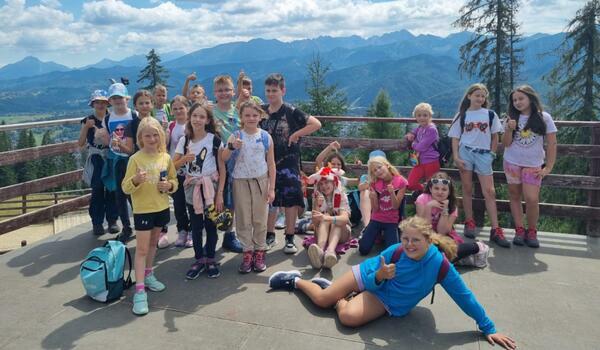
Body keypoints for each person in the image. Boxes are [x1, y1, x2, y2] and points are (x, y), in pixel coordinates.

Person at [268, 216, 516, 350]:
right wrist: (379, 276)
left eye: (415, 240)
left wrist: (489, 327)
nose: (408, 245)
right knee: (322, 301)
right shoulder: (396, 251)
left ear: (428, 240)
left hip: (387, 299)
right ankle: (296, 281)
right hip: (371, 277)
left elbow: (465, 297)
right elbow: (373, 280)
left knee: (348, 318)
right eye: (405, 238)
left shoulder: (440, 266)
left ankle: (338, 297)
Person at [122, 117, 177, 315]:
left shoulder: (166, 158)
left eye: (155, 135)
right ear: (140, 138)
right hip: (143, 210)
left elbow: (173, 181)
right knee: (142, 249)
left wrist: (169, 186)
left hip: (161, 208)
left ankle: (148, 274)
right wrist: (135, 180)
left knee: (153, 244)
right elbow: (125, 187)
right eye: (147, 136)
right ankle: (139, 291)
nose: (152, 139)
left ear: (161, 137)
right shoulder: (135, 159)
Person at [260, 73, 322, 253]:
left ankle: (289, 238)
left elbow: (316, 124)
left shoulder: (291, 111)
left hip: (289, 162)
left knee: (290, 201)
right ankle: (269, 235)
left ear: (283, 91)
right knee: (270, 199)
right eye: (268, 90)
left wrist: (296, 134)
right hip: (267, 162)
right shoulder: (262, 111)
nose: (271, 94)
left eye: (274, 90)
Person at [449, 83, 508, 248]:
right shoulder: (461, 115)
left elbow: (495, 137)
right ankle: (469, 221)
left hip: (484, 154)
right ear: (469, 96)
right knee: (467, 189)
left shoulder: (490, 114)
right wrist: (456, 157)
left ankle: (495, 228)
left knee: (489, 191)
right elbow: (455, 138)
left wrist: (492, 154)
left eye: (483, 96)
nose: (480, 99)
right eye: (477, 95)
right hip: (465, 152)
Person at [221, 101, 276, 273]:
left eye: (254, 115)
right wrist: (231, 147)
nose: (251, 118)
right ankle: (247, 251)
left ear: (260, 116)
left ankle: (259, 251)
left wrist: (272, 188)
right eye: (247, 115)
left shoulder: (266, 137)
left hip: (261, 180)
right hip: (240, 181)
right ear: (241, 117)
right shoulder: (235, 136)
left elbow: (271, 164)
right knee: (243, 218)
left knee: (260, 217)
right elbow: (223, 157)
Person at [173, 103, 224, 279]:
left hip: (211, 186)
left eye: (202, 117)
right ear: (189, 118)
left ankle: (210, 258)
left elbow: (222, 168)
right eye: (195, 116)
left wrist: (220, 194)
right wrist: (184, 159)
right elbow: (172, 165)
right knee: (195, 226)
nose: (197, 120)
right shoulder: (184, 140)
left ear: (208, 120)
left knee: (211, 225)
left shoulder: (214, 140)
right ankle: (199, 258)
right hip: (192, 187)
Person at [503, 85, 557, 248]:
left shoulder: (544, 117)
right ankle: (519, 230)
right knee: (514, 196)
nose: (517, 102)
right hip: (512, 162)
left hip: (533, 164)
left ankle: (532, 230)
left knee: (532, 199)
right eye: (514, 100)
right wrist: (508, 129)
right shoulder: (510, 119)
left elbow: (552, 143)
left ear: (530, 99)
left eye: (521, 98)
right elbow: (506, 144)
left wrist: (548, 167)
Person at [415, 172, 489, 267]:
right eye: (436, 188)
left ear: (449, 192)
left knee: (438, 255)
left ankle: (478, 247)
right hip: (425, 235)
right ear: (430, 189)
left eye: (444, 189)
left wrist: (445, 209)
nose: (440, 192)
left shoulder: (452, 206)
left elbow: (442, 232)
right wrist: (429, 207)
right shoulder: (422, 199)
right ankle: (462, 257)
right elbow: (423, 227)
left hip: (444, 237)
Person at [78, 90, 118, 236]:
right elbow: (81, 143)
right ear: (93, 104)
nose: (100, 105)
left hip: (111, 155)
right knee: (97, 190)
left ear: (108, 103)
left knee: (112, 188)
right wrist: (86, 127)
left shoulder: (113, 118)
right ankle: (97, 222)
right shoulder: (87, 120)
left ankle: (112, 220)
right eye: (97, 102)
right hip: (96, 157)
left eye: (103, 102)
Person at [213, 75, 244, 253]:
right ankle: (221, 234)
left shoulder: (239, 111)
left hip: (239, 162)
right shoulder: (210, 112)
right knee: (222, 199)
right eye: (220, 90)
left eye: (227, 90)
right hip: (219, 161)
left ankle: (231, 234)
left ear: (233, 92)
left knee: (234, 200)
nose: (224, 93)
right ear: (215, 93)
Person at [104, 82, 137, 242]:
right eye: (114, 98)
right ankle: (126, 227)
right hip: (116, 160)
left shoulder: (134, 115)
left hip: (132, 160)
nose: (117, 101)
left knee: (135, 193)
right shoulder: (108, 118)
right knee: (120, 195)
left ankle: (139, 223)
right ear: (109, 101)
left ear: (127, 99)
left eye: (120, 97)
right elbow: (105, 137)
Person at [159, 95, 192, 249]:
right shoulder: (171, 126)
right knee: (179, 204)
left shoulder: (193, 125)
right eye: (175, 108)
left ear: (188, 109)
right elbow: (165, 146)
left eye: (181, 108)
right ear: (171, 110)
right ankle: (182, 230)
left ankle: (192, 231)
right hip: (176, 170)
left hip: (192, 171)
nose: (178, 111)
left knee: (192, 203)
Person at [358, 155, 407, 255]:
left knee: (392, 253)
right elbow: (375, 210)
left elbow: (396, 206)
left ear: (387, 165)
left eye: (379, 167)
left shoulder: (401, 181)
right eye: (375, 170)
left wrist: (392, 193)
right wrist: (374, 198)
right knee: (363, 249)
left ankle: (382, 235)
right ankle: (374, 234)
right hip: (376, 219)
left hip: (392, 221)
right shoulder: (375, 183)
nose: (378, 171)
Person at [305, 166, 352, 269]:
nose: (324, 186)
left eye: (326, 182)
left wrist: (328, 218)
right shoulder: (317, 196)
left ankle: (330, 252)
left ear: (334, 183)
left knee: (336, 220)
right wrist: (317, 205)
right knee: (325, 216)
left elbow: (345, 218)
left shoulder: (341, 195)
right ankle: (320, 252)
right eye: (321, 184)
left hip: (341, 233)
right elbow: (315, 223)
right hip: (322, 232)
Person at [405, 103, 440, 195]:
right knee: (410, 184)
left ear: (430, 116)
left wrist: (413, 144)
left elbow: (421, 147)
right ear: (415, 117)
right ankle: (424, 190)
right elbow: (414, 131)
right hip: (419, 162)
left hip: (431, 162)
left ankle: (429, 204)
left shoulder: (431, 129)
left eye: (425, 115)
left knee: (433, 187)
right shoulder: (420, 127)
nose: (422, 118)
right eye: (419, 115)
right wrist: (411, 134)